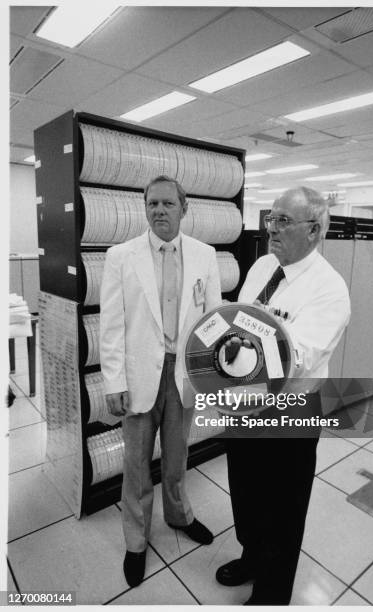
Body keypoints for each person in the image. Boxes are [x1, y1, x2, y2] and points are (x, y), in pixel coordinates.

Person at [216, 186, 351, 605]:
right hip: (245, 400)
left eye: (283, 221)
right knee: (245, 486)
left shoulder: (330, 288)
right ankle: (251, 555)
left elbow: (302, 356)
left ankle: (274, 589)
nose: (271, 229)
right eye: (270, 219)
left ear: (314, 230)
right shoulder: (260, 267)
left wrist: (259, 334)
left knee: (284, 503)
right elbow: (237, 324)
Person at [100, 175, 222, 588]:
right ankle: (136, 541)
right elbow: (111, 324)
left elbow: (213, 321)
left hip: (183, 374)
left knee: (176, 456)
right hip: (137, 377)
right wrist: (113, 380)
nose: (159, 211)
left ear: (184, 208)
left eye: (168, 204)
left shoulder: (205, 255)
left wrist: (209, 375)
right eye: (152, 204)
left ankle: (178, 514)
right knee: (135, 466)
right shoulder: (121, 256)